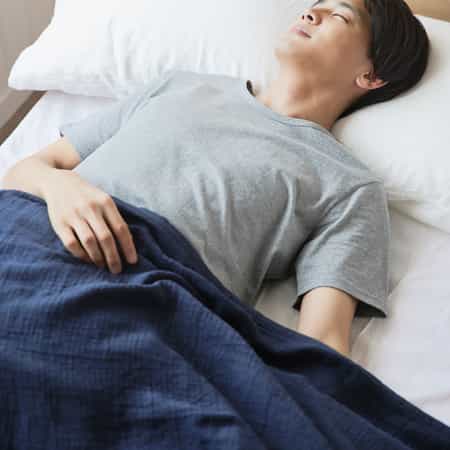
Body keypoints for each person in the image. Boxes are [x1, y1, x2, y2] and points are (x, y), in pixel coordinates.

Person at [1, 0, 429, 357]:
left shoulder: (347, 185)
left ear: (371, 75)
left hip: (140, 296)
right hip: (36, 236)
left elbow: (324, 342)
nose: (309, 14)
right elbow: (26, 171)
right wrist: (62, 187)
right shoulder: (179, 85)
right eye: (314, 6)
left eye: (339, 15)